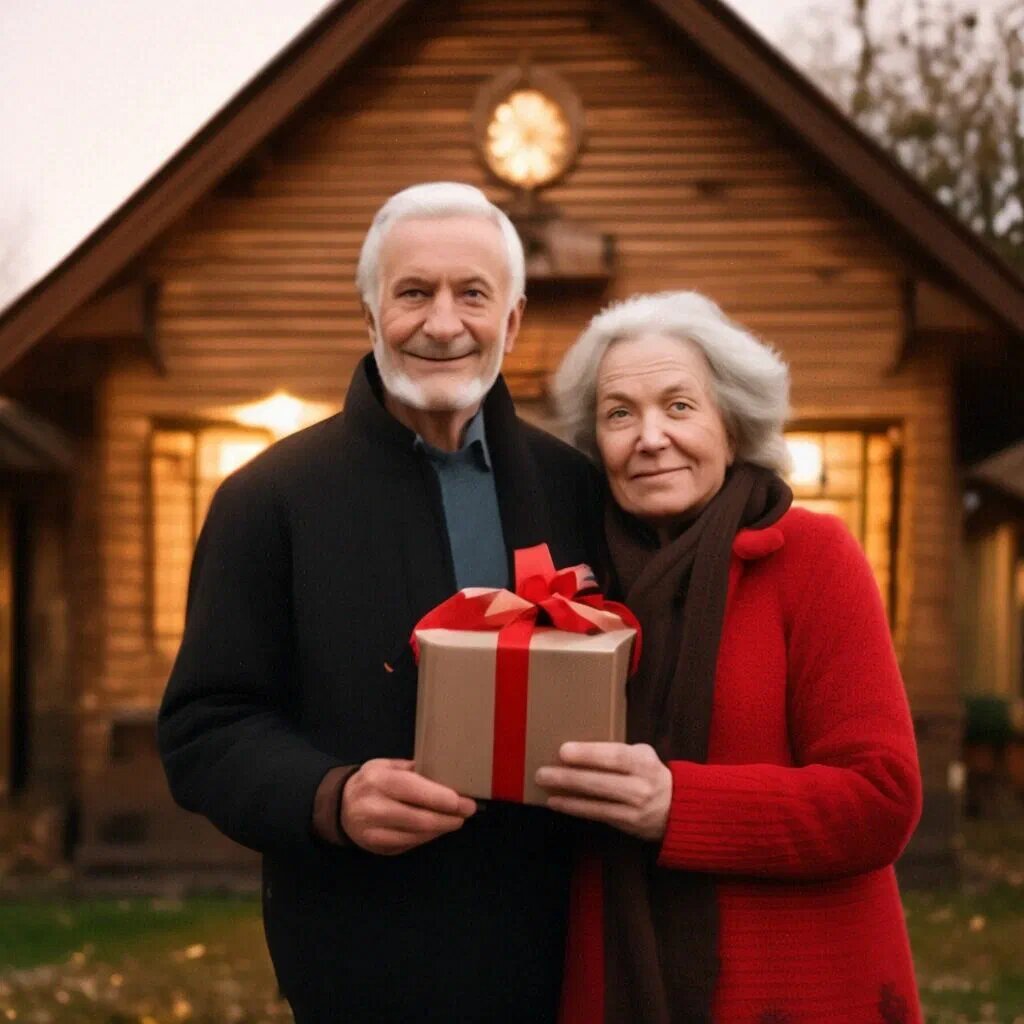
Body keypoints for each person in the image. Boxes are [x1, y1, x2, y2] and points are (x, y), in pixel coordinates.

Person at [157, 182, 606, 1023]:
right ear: (370, 317)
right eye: (413, 293)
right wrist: (330, 797)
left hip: (563, 963)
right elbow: (204, 728)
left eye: (473, 294)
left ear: (510, 322)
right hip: (362, 965)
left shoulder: (573, 488)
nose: (443, 323)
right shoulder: (270, 501)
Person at [543, 291, 923, 1024]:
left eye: (679, 406)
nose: (649, 437)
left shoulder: (812, 558)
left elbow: (881, 798)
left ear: (732, 421)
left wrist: (676, 805)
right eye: (619, 413)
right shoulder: (576, 586)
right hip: (614, 982)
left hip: (794, 989)